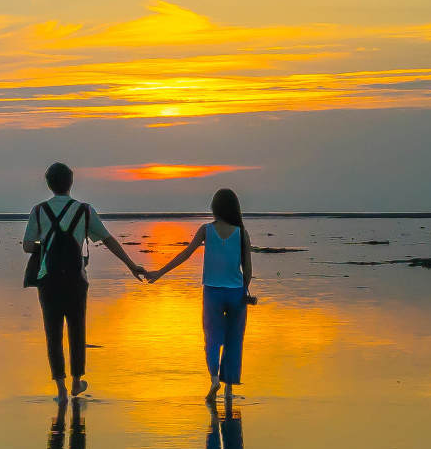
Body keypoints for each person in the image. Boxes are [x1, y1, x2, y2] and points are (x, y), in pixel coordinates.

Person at [21, 162, 142, 399]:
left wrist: (44, 244)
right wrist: (131, 265)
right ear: (71, 183)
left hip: (48, 280)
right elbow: (107, 240)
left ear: (48, 184)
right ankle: (77, 382)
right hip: (77, 280)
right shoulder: (84, 211)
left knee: (52, 332)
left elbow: (27, 246)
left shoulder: (38, 211)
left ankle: (61, 389)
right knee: (77, 329)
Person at [145, 186, 255, 401]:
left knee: (212, 339)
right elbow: (248, 269)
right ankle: (229, 390)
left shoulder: (206, 230)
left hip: (212, 292)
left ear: (214, 208)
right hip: (236, 293)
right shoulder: (242, 233)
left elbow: (185, 254)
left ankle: (214, 379)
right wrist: (244, 290)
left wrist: (159, 272)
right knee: (234, 340)